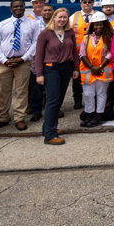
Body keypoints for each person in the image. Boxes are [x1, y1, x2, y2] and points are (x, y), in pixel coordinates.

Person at [0, 0, 40, 132]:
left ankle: (19, 118)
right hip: (4, 63)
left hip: (23, 62)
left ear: (24, 8)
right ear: (11, 9)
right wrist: (4, 60)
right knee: (3, 92)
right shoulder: (2, 24)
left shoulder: (33, 24)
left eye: (21, 6)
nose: (19, 8)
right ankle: (3, 117)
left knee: (21, 91)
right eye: (15, 6)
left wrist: (24, 58)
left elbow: (36, 43)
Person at [35, 8, 78, 145]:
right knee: (52, 101)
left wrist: (75, 68)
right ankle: (49, 135)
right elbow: (39, 55)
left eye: (65, 17)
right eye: (60, 17)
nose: (62, 20)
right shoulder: (45, 34)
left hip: (66, 68)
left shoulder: (70, 32)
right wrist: (39, 74)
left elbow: (74, 52)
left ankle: (48, 127)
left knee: (59, 100)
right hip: (51, 69)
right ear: (54, 17)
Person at [79, 13, 113, 127]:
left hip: (103, 70)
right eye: (96, 25)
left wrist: (100, 67)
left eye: (101, 24)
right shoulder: (86, 37)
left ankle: (98, 115)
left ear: (105, 25)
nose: (99, 27)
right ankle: (89, 114)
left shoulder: (109, 37)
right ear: (92, 26)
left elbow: (110, 54)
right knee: (88, 94)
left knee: (101, 93)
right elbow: (82, 54)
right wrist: (91, 67)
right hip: (89, 70)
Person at [70, 0, 97, 110]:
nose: (87, 4)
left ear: (93, 3)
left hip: (94, 52)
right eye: (84, 2)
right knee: (76, 77)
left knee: (93, 75)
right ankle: (77, 99)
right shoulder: (73, 17)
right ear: (81, 3)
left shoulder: (98, 15)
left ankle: (93, 99)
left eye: (89, 2)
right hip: (76, 53)